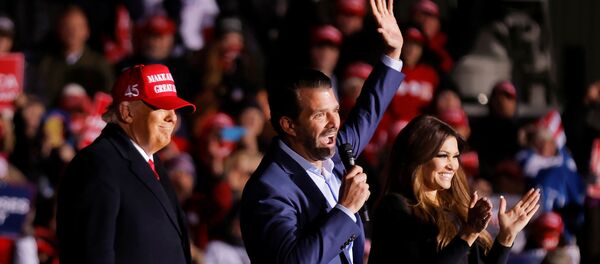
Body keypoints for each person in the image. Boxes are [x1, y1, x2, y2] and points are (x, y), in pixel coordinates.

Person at [240, 0, 405, 263]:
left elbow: (367, 112)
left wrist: (392, 54)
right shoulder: (269, 189)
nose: (334, 122)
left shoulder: (335, 150)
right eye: (319, 114)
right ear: (288, 125)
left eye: (336, 110)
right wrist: (345, 209)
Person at [57, 64, 196, 263]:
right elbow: (92, 254)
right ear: (126, 112)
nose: (172, 116)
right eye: (160, 106)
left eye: (173, 107)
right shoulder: (97, 164)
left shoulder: (153, 162)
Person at [369, 115, 541, 263]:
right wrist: (467, 235)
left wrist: (506, 236)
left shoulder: (456, 208)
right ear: (418, 158)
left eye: (456, 157)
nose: (453, 165)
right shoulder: (394, 207)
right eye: (443, 156)